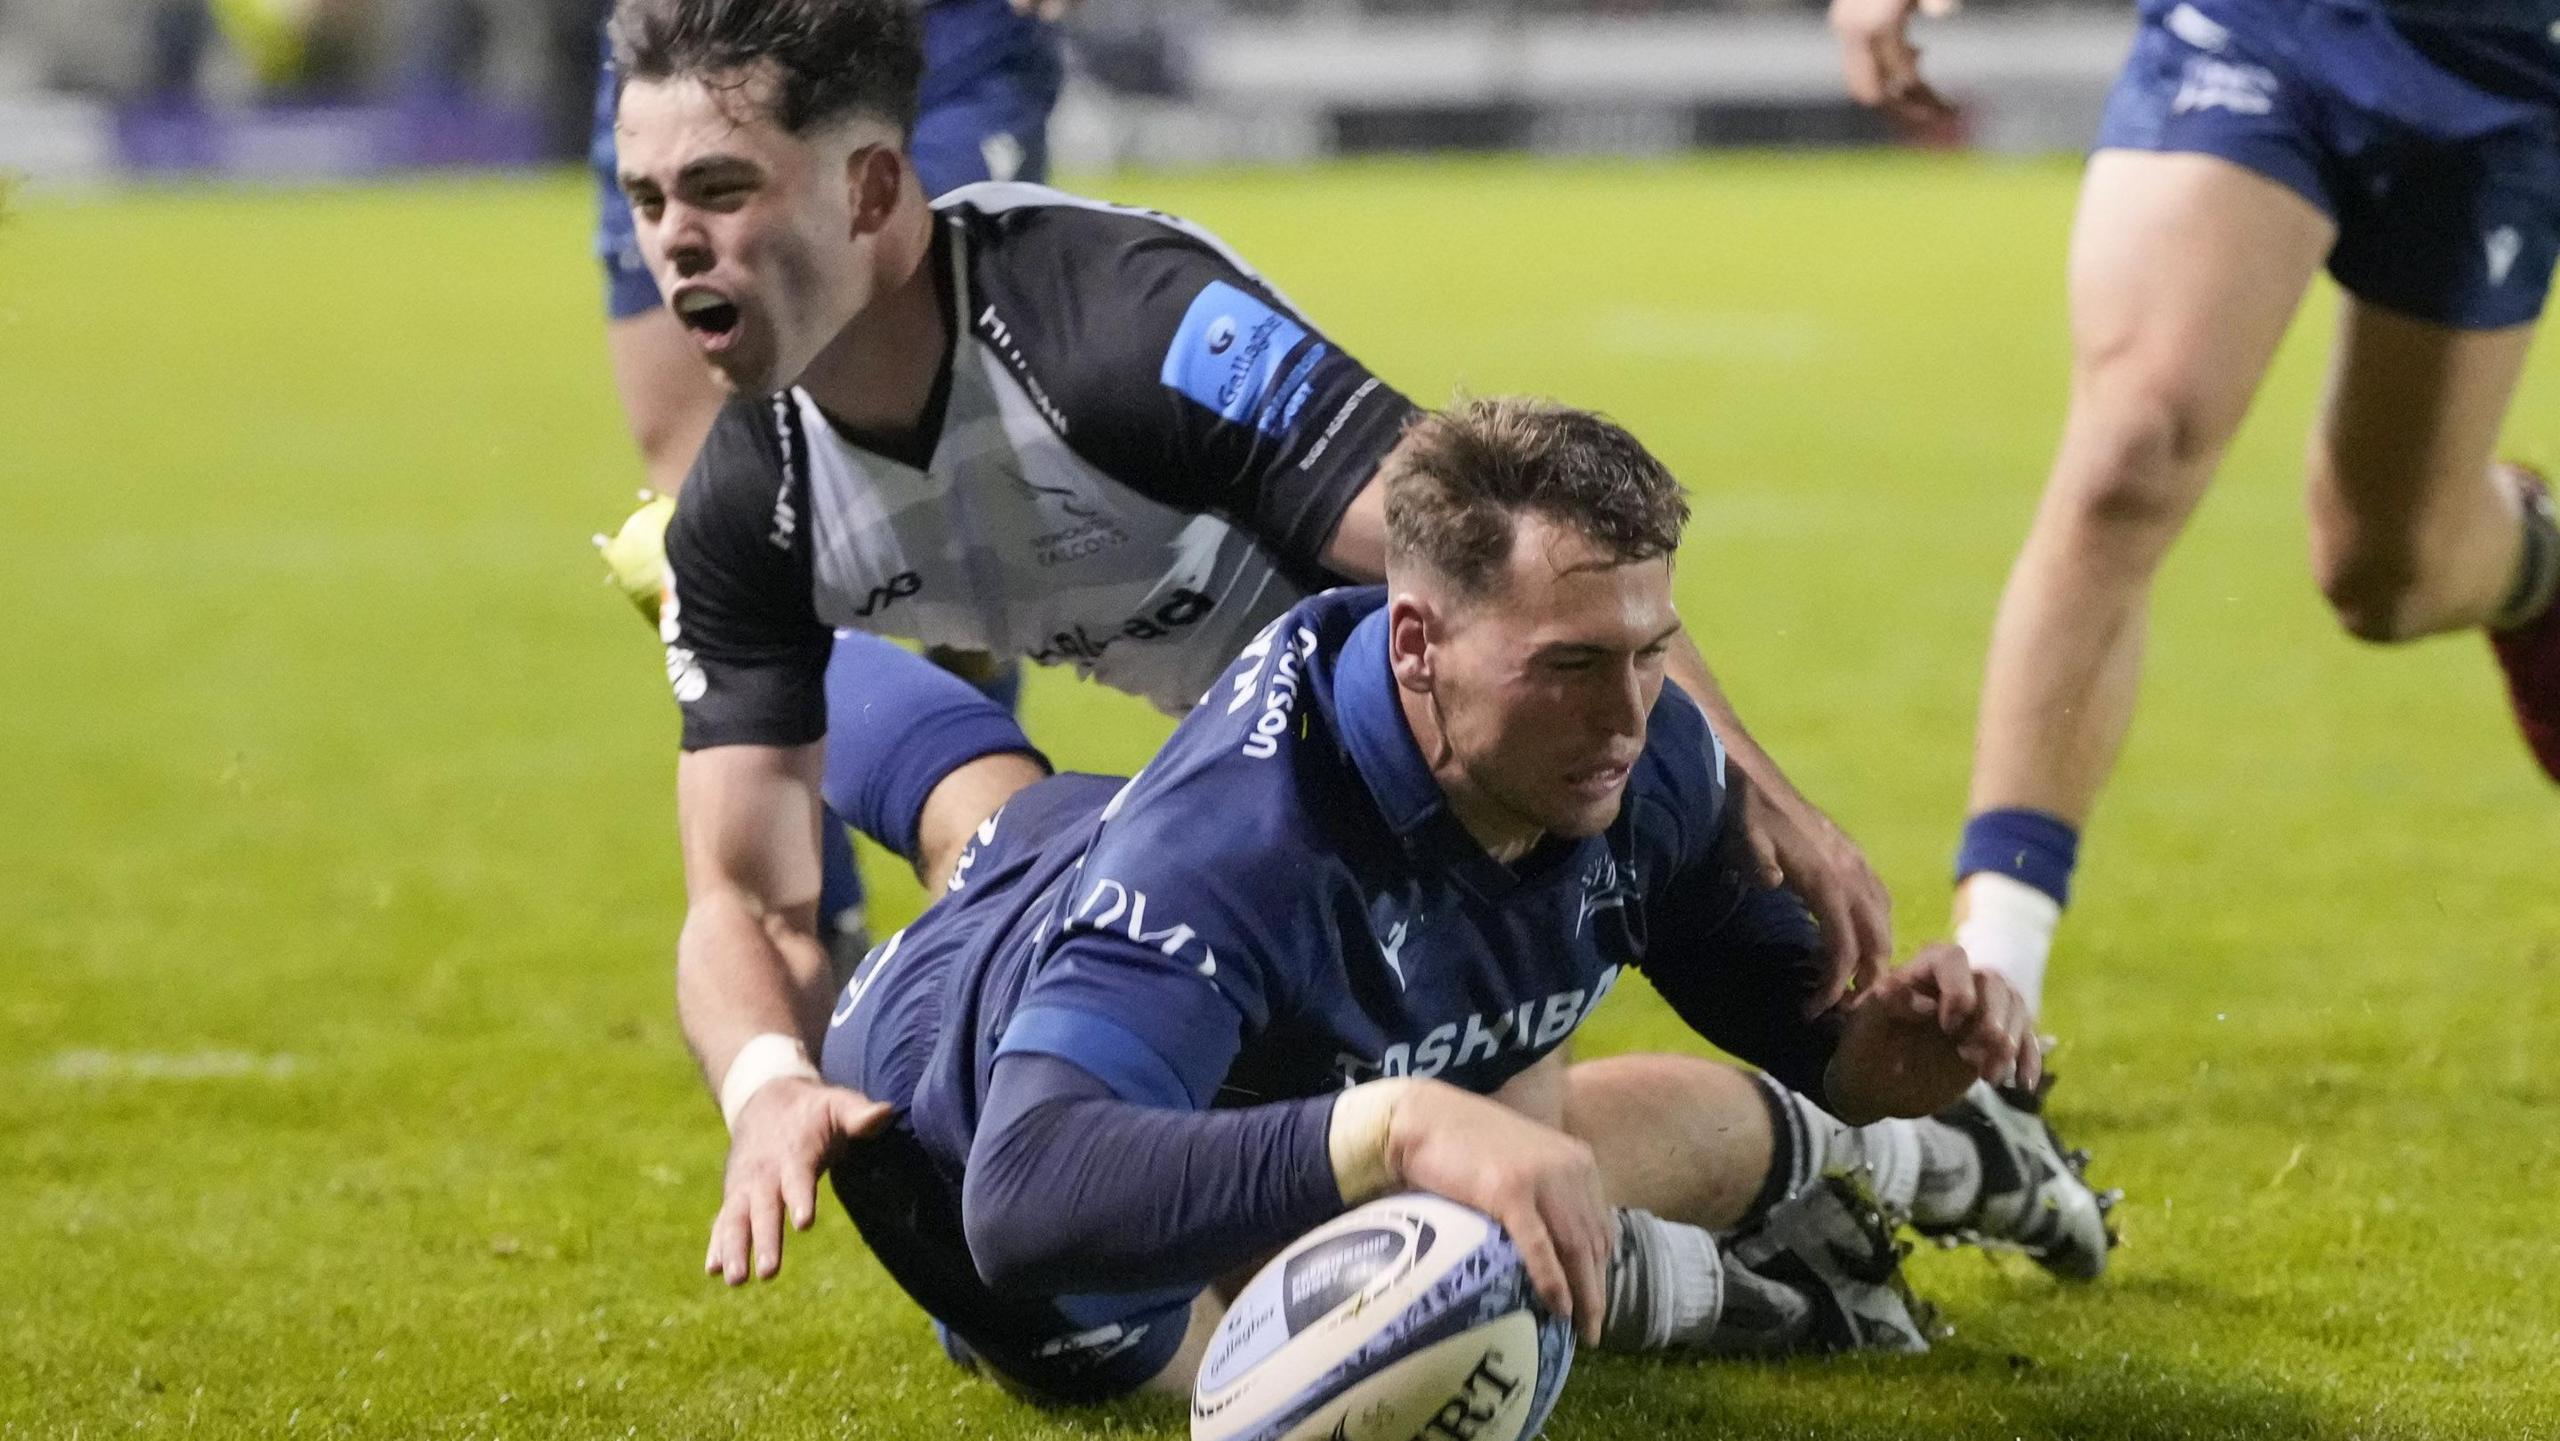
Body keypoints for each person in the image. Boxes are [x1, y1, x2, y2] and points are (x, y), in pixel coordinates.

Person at [603, 0, 1911, 1218]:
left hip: (1427, 758)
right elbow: (746, 897)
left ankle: (1882, 1158)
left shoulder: (1116, 329)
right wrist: (767, 1080)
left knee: (1377, 1198)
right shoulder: (747, 508)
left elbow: (1502, 560)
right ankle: (1801, 1205)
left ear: (873, 187)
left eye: (721, 189)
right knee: (1161, 1156)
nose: (673, 243)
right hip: (1215, 779)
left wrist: (1760, 791)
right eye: (648, 200)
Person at [747, 398, 2069, 1401]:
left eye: (1650, 653)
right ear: (1419, 642)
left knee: (1010, 820)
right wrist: (1395, 1125)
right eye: (1570, 666)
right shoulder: (1230, 861)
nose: (1626, 717)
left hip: (1203, 923)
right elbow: (1027, 1196)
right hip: (961, 1097)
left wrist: (1877, 1066)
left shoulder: (1640, 756)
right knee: (1289, 1337)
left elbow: (1787, 1020)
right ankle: (733, 608)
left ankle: (1933, 1159)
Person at [1827, 0, 2560, 1038]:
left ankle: (2533, 565)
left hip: (2499, 64)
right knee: (2133, 445)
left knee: (2388, 573)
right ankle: (1994, 991)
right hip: (2257, 30)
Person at [590, 0, 1066, 952]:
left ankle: (993, 900)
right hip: (683, 52)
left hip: (927, 44)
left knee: (955, 484)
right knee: (696, 530)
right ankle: (820, 927)